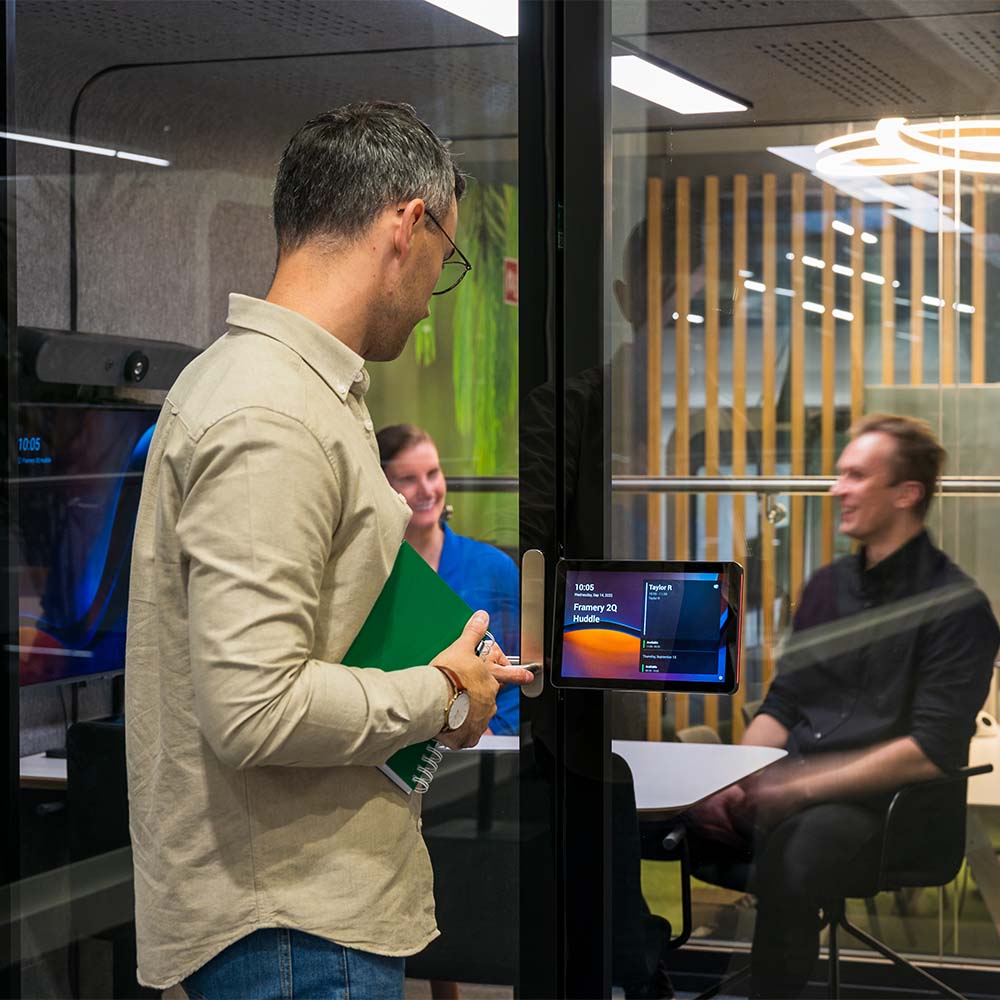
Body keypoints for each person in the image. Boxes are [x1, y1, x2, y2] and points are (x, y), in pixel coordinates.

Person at [124, 101, 533, 999]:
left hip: (298, 918)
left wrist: (448, 679)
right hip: (292, 928)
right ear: (408, 226)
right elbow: (253, 706)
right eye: (448, 259)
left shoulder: (291, 392)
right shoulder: (271, 413)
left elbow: (315, 639)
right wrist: (437, 692)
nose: (434, 296)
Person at [684, 412, 1000, 998]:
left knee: (799, 847)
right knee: (649, 816)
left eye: (856, 476)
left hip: (893, 812)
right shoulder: (828, 586)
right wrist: (733, 777)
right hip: (795, 789)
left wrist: (798, 788)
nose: (837, 490)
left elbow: (930, 751)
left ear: (906, 494)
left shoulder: (959, 608)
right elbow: (785, 700)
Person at [377, 423, 521, 735]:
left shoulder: (495, 569)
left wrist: (492, 737)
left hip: (481, 752)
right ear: (381, 487)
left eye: (432, 473)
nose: (427, 490)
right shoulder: (369, 575)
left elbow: (520, 677)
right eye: (408, 479)